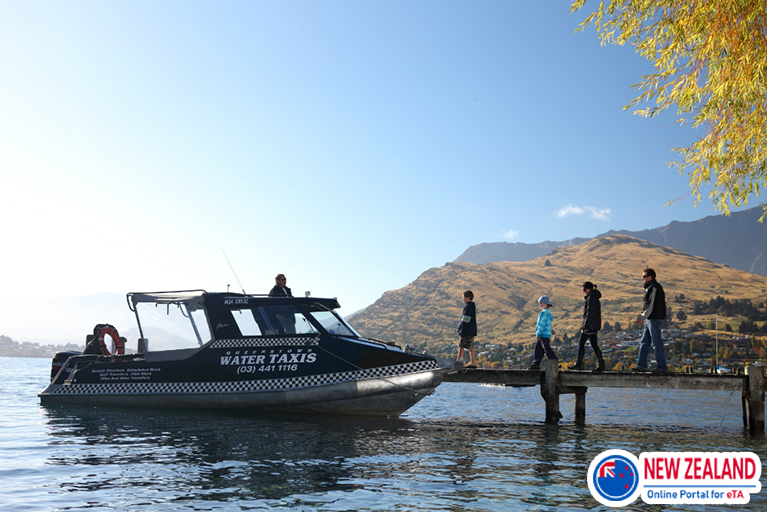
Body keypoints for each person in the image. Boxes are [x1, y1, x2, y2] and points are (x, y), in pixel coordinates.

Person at [635, 268, 668, 373]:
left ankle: (662, 367)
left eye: (644, 276)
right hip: (650, 319)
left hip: (654, 319)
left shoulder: (654, 288)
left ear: (650, 277)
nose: (643, 278)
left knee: (656, 343)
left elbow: (651, 306)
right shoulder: (650, 288)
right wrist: (646, 318)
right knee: (644, 342)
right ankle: (641, 366)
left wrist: (642, 317)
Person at [575, 282, 605, 372]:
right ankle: (601, 365)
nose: (584, 292)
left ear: (588, 289)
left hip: (590, 325)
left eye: (584, 290)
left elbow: (589, 313)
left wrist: (586, 326)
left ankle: (578, 364)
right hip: (594, 325)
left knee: (581, 344)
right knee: (594, 345)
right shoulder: (594, 297)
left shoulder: (591, 298)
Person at [529, 295, 557, 370]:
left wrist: (538, 333)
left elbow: (542, 324)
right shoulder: (547, 312)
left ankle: (555, 361)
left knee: (546, 348)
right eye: (539, 303)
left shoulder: (544, 313)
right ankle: (535, 364)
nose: (540, 305)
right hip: (546, 334)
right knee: (538, 348)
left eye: (541, 303)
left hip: (542, 334)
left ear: (546, 304)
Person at [455, 290, 478, 368]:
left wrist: (462, 330)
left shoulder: (467, 307)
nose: (463, 299)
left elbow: (465, 320)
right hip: (471, 330)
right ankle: (473, 363)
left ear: (468, 297)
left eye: (463, 297)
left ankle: (457, 362)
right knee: (470, 347)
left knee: (461, 346)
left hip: (466, 331)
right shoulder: (471, 306)